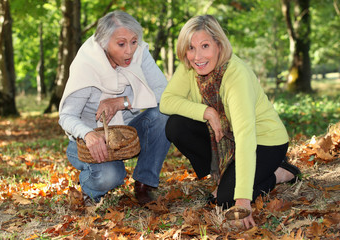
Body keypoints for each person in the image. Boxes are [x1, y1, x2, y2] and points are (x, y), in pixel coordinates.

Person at [159, 15, 301, 229]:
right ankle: (227, 175)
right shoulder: (190, 67)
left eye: (205, 45)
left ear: (219, 45)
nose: (197, 56)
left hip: (264, 142)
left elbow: (245, 138)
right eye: (190, 48)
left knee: (226, 201)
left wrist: (243, 200)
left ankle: (279, 173)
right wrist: (206, 111)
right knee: (176, 125)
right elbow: (166, 102)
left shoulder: (236, 76)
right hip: (226, 139)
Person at [59, 11, 170, 206]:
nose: (130, 51)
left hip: (128, 136)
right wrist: (88, 134)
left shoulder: (140, 54)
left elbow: (165, 93)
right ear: (103, 42)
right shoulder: (86, 64)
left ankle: (144, 184)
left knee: (164, 113)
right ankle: (89, 188)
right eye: (121, 44)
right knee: (112, 176)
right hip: (89, 141)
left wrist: (121, 102)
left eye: (134, 41)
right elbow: (66, 116)